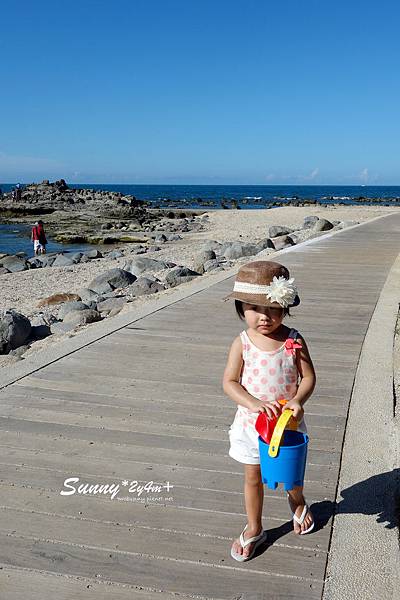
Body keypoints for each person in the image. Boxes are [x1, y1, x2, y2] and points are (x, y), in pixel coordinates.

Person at [222, 260, 316, 562]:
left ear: (286, 307)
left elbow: (308, 377)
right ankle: (255, 527)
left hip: (287, 425)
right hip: (252, 425)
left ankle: (297, 502)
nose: (265, 317)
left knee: (291, 475)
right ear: (241, 308)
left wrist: (298, 400)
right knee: (253, 478)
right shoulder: (242, 343)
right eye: (254, 308)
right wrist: (254, 404)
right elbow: (230, 382)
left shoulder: (294, 339)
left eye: (274, 308)